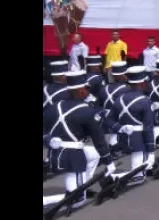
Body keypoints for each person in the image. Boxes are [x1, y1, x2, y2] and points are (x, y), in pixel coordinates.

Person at [43, 70, 116, 209]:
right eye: (86, 89)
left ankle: (82, 184)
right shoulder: (87, 111)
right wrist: (108, 161)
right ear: (82, 90)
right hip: (72, 158)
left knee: (93, 154)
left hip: (56, 155)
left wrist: (48, 139)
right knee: (77, 200)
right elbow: (99, 139)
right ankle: (49, 200)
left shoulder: (52, 108)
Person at [105, 66, 156, 186]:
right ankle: (112, 178)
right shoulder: (145, 101)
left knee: (139, 172)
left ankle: (112, 177)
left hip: (123, 138)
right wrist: (151, 151)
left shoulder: (119, 99)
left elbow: (109, 120)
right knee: (139, 177)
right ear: (143, 83)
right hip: (139, 141)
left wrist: (120, 128)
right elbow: (148, 128)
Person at [97, 60, 130, 154]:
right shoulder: (127, 89)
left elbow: (96, 106)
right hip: (120, 121)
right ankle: (118, 145)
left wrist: (105, 112)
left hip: (106, 122)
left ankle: (114, 143)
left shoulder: (104, 89)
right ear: (122, 75)